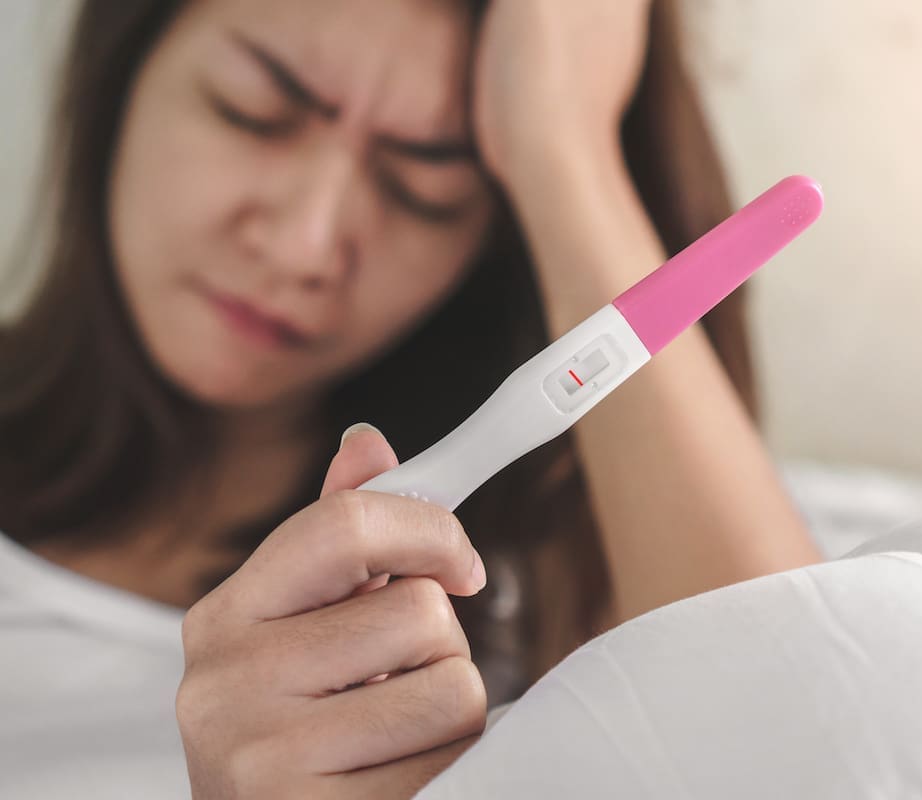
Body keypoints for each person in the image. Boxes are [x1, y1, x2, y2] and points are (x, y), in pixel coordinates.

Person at [0, 0, 820, 795]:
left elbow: (831, 747)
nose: (303, 247)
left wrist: (564, 150)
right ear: (123, 66)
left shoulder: (539, 597)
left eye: (423, 184)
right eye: (252, 111)